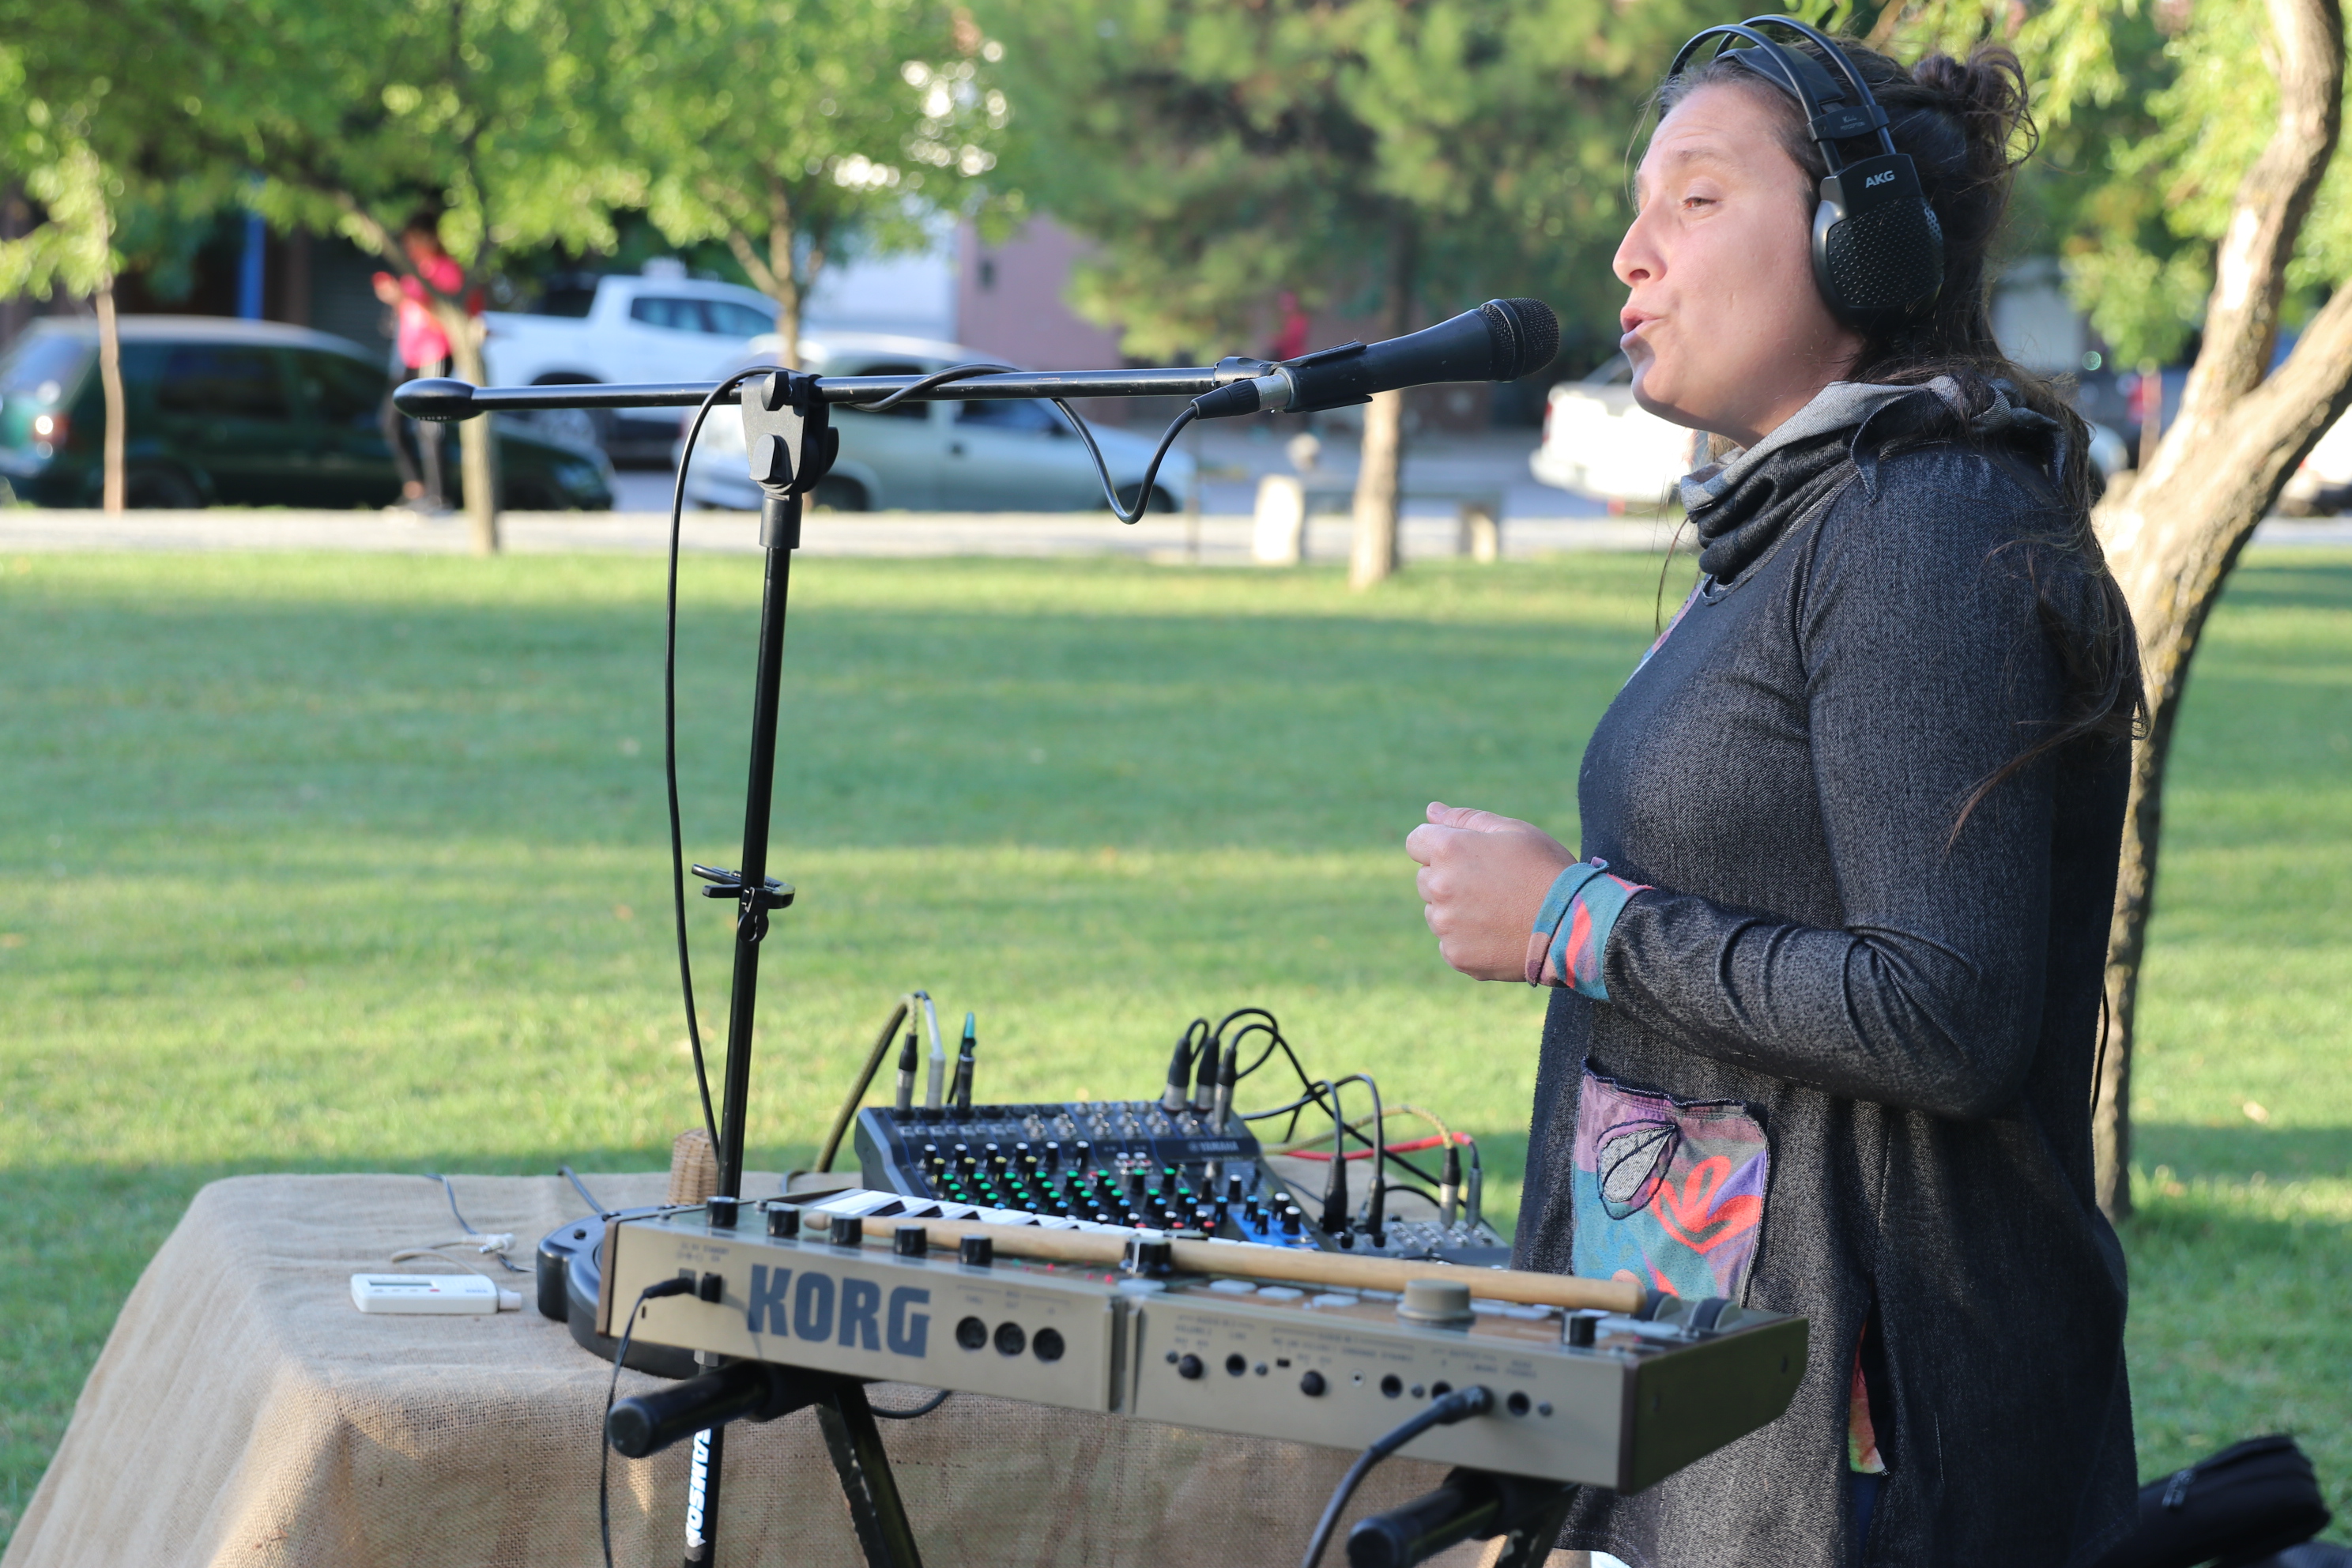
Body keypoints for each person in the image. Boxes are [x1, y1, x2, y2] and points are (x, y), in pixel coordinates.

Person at [1406, 22, 2143, 1568]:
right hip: (1737, 1405)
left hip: (1873, 1449)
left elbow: (1943, 1011)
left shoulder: (1928, 526)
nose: (1631, 254)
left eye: (1695, 199)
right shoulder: (1812, 520)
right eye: (1637, 208)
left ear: (1857, 242)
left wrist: (1574, 918)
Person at [371, 212, 479, 512]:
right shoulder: (415, 271)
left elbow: (448, 319)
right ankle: (415, 488)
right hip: (409, 354)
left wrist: (405, 297)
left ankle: (440, 497)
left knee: (430, 425)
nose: (410, 246)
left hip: (435, 352)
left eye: (414, 239)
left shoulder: (446, 270)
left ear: (431, 237)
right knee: (391, 421)